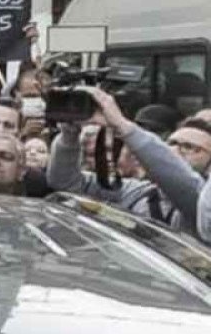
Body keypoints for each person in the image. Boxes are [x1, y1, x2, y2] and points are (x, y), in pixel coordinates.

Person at [48, 88, 211, 234]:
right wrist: (69, 136)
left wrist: (122, 125)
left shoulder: (202, 203)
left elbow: (182, 183)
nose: (176, 151)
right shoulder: (137, 192)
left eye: (190, 147)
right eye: (171, 143)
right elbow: (67, 183)